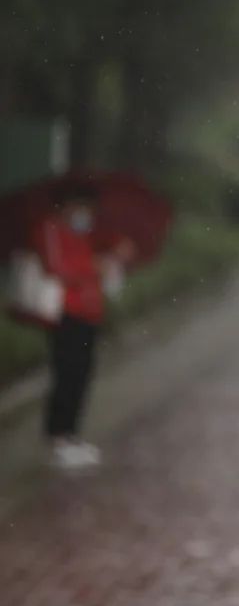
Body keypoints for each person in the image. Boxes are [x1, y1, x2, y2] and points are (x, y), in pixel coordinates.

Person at [32, 182, 134, 469]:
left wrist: (114, 256)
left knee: (82, 374)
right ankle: (56, 437)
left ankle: (72, 434)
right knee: (66, 373)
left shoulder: (85, 234)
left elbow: (105, 250)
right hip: (66, 314)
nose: (84, 213)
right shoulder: (50, 230)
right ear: (65, 205)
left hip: (90, 314)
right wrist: (93, 267)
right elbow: (57, 268)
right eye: (79, 206)